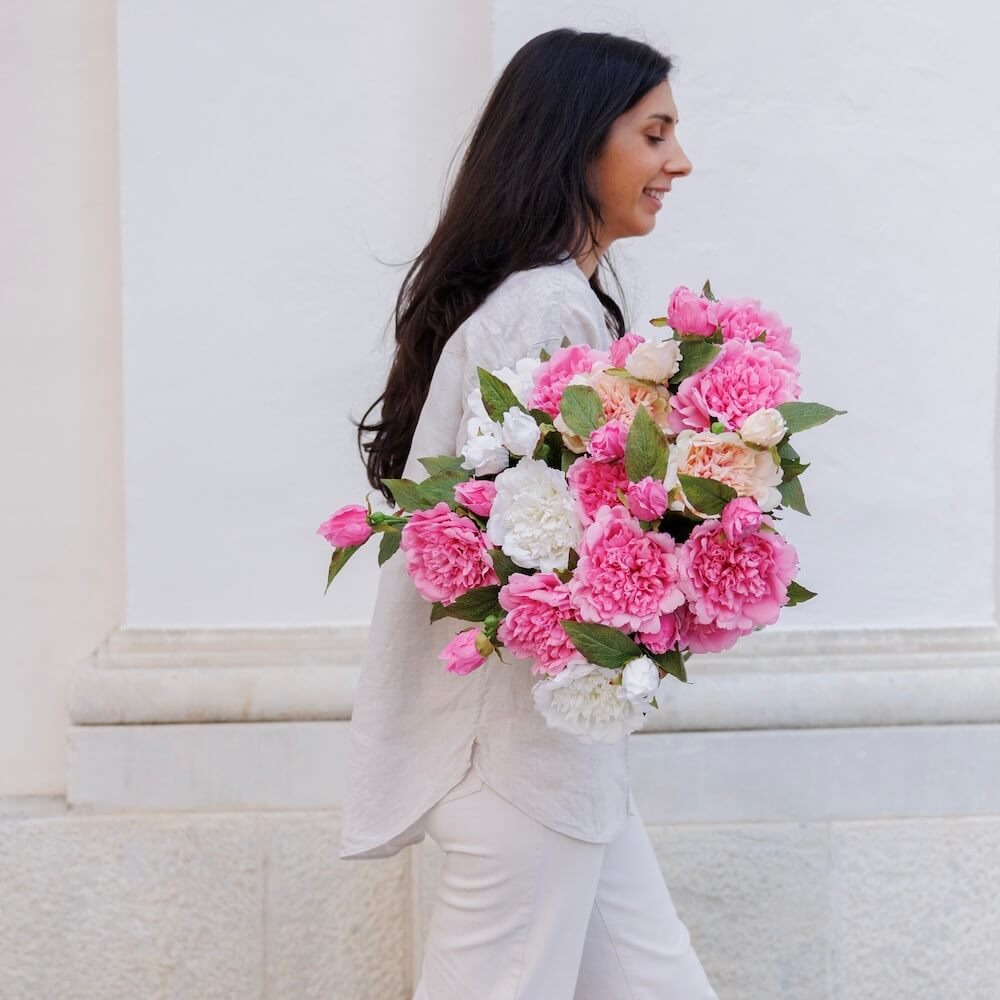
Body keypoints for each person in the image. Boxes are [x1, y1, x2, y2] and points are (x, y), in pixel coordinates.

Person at [343, 26, 717, 1000]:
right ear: (578, 139)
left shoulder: (555, 300)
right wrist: (698, 524)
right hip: (519, 772)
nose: (678, 161)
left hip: (557, 764)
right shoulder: (543, 307)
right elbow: (544, 535)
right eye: (654, 134)